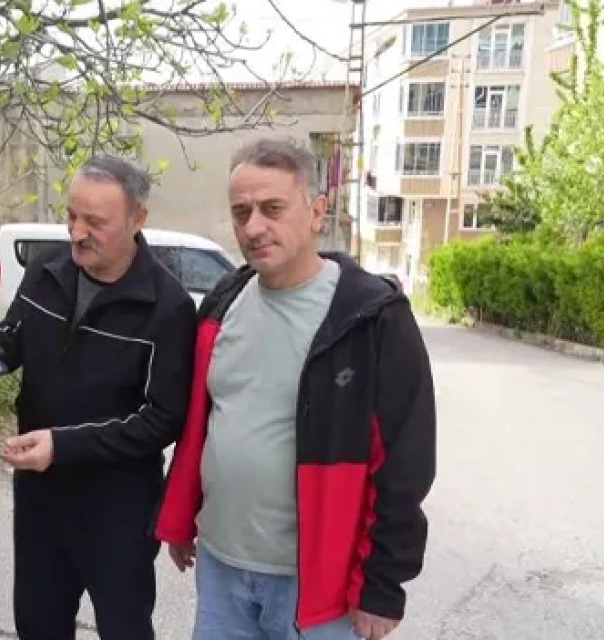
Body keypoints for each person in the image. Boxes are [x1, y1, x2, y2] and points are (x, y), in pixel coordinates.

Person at [154, 137, 437, 640]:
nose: (254, 227)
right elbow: (203, 425)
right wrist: (184, 515)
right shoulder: (223, 302)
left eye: (272, 208)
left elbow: (405, 463)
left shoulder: (370, 318)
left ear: (317, 211)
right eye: (241, 212)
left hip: (317, 586)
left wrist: (383, 586)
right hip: (221, 568)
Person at [0, 155, 198, 639]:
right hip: (41, 500)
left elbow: (161, 420)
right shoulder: (46, 273)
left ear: (138, 219)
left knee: (124, 628)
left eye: (95, 222)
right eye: (72, 216)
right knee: (38, 625)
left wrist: (63, 445)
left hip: (118, 511)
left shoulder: (168, 307)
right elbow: (9, 344)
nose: (77, 233)